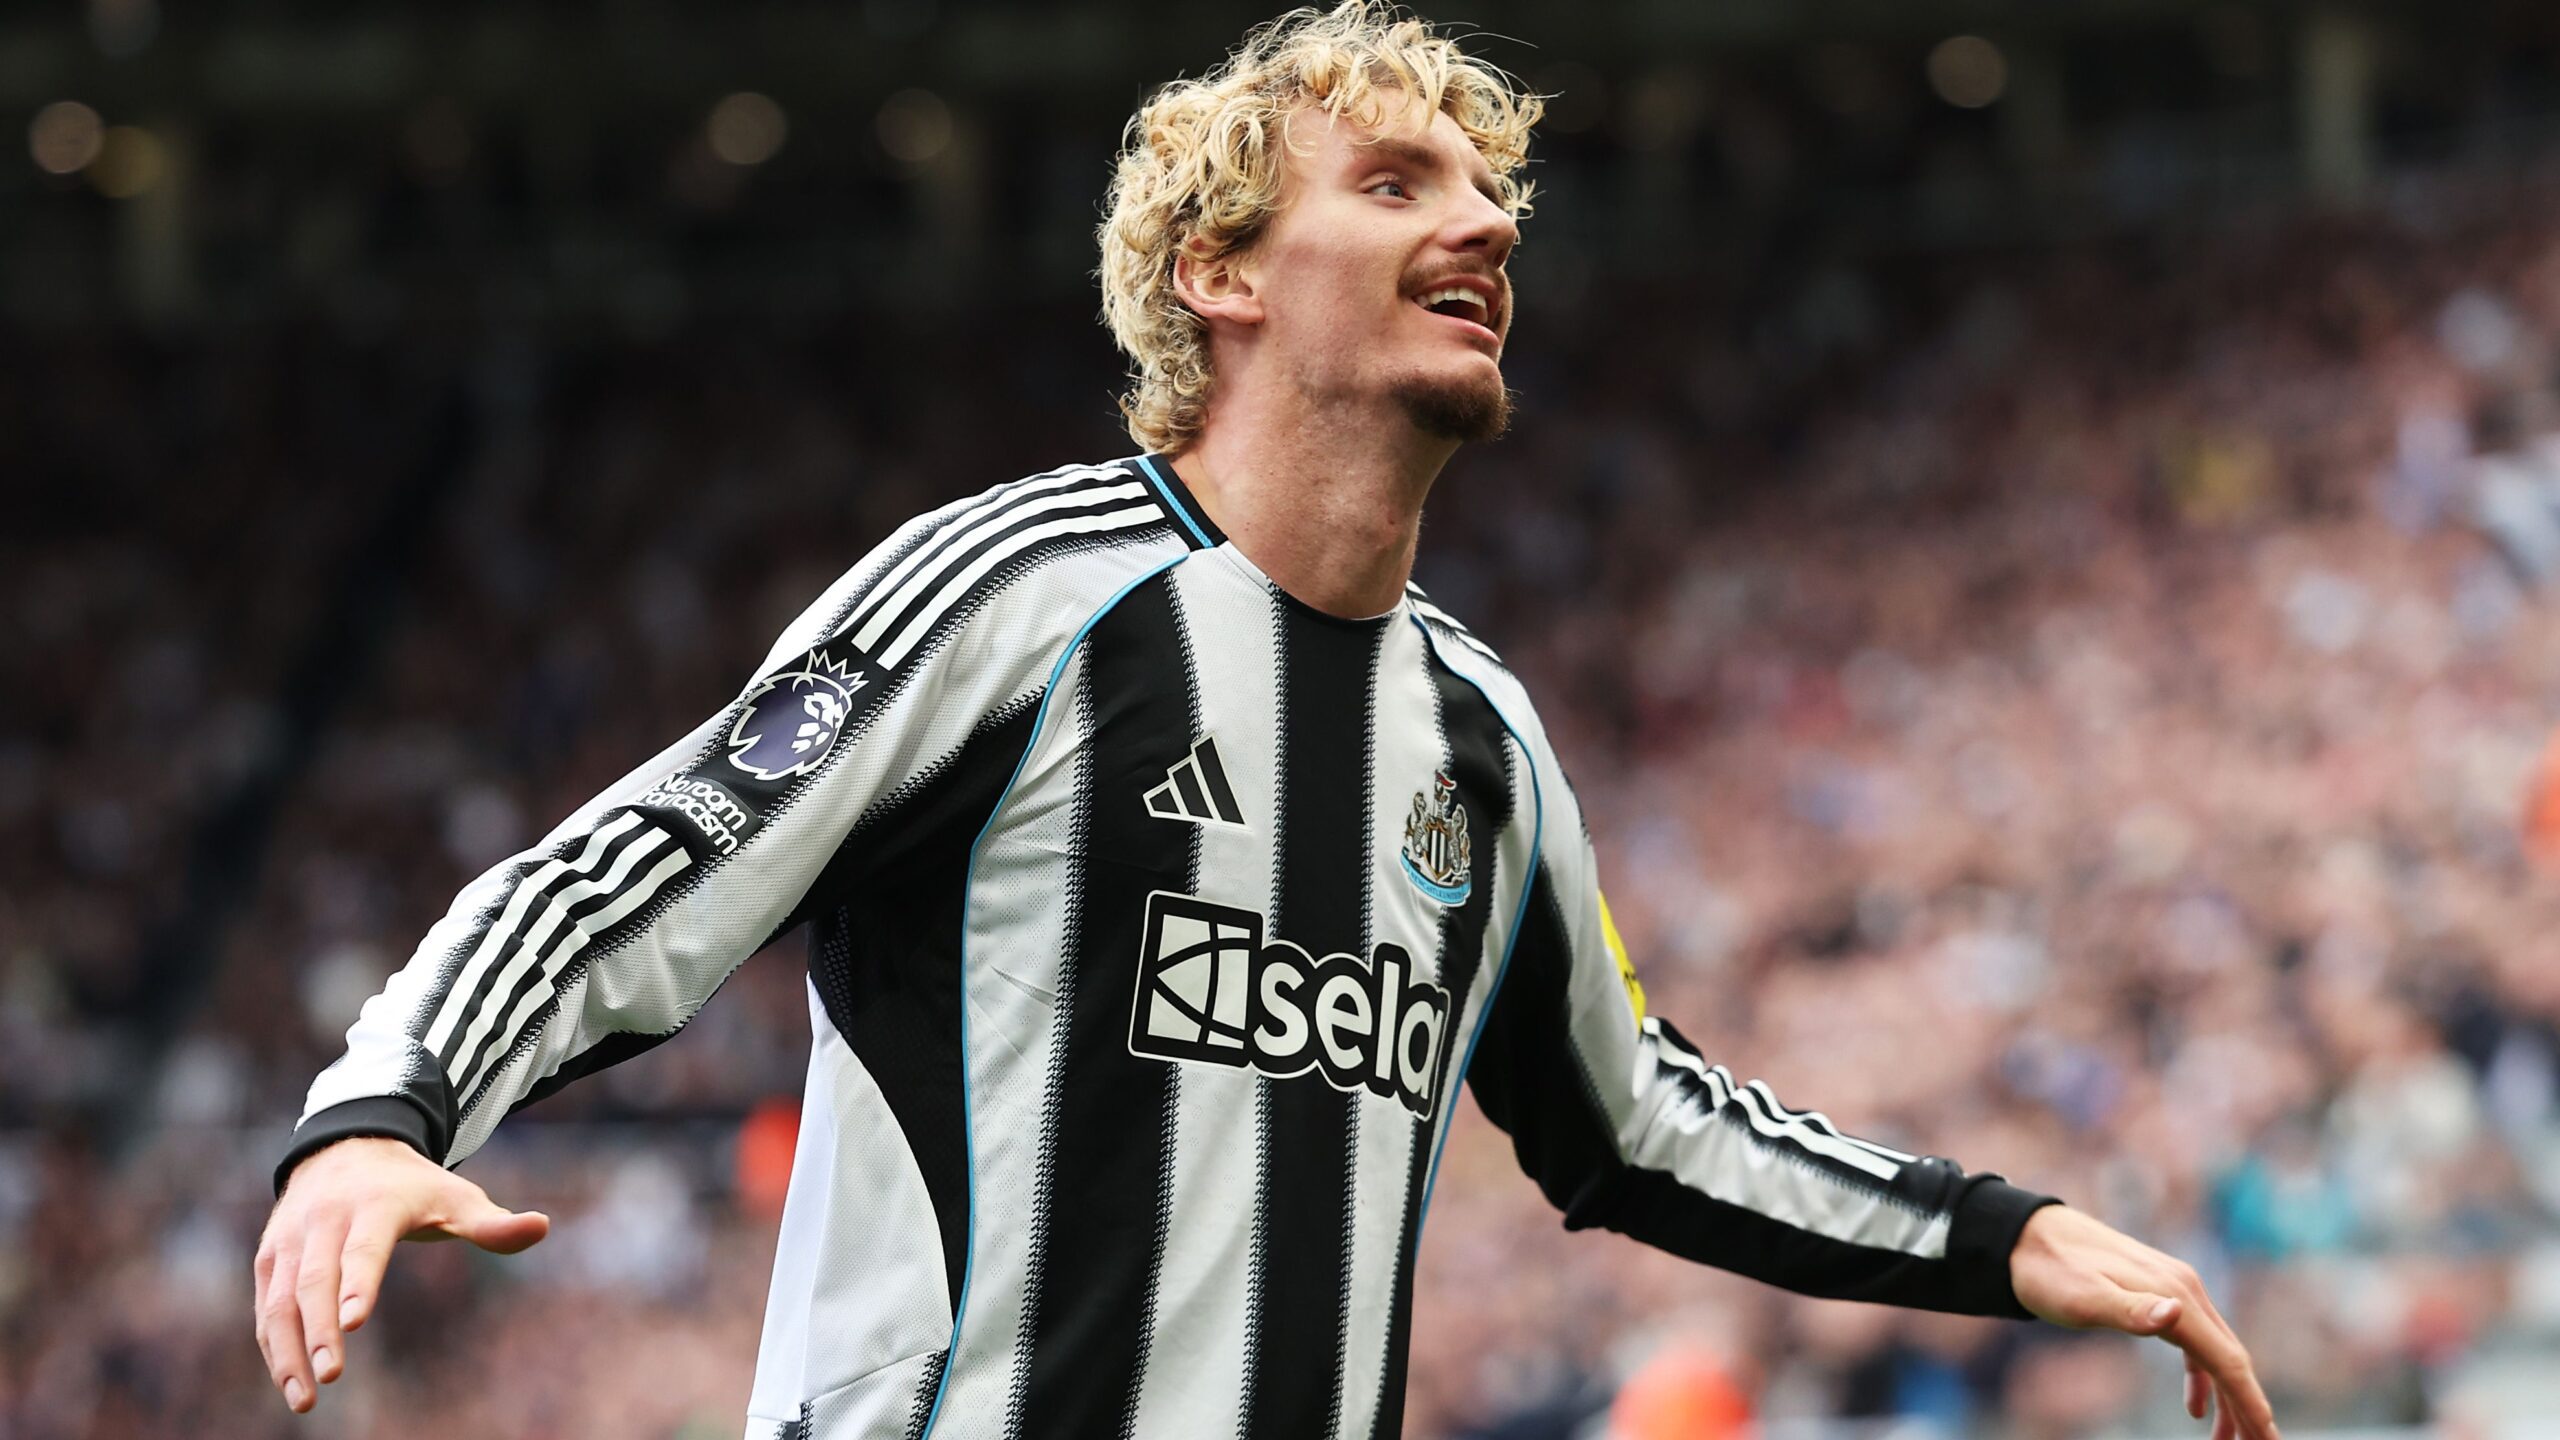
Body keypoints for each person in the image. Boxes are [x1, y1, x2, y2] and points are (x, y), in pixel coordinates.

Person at [253, 6, 2280, 1438]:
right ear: (1220, 272)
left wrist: (1999, 1235)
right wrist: (382, 1114)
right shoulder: (1017, 592)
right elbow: (648, 860)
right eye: (1397, 183)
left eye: (1488, 192)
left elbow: (1637, 1119)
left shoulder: (1476, 741)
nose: (1485, 226)